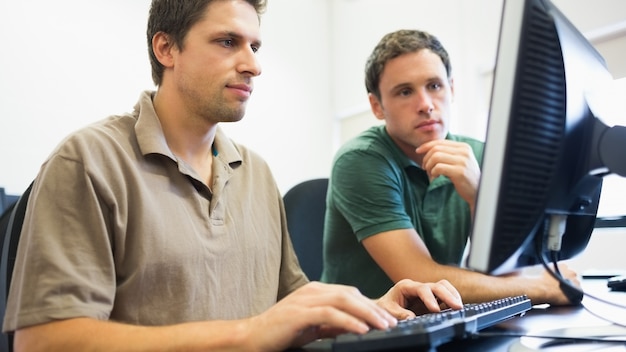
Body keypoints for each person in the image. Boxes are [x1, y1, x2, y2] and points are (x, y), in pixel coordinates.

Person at [1, 2, 465, 351]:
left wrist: (371, 308)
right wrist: (248, 334)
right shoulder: (89, 161)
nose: (253, 64)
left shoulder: (256, 174)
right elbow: (44, 341)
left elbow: (291, 299)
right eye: (228, 42)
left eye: (255, 46)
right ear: (166, 48)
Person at [321, 29, 581, 306]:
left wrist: (478, 196)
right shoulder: (359, 160)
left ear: (452, 89)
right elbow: (420, 279)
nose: (426, 105)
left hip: (442, 320)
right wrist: (540, 288)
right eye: (405, 91)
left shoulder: (479, 155)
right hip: (360, 333)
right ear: (377, 107)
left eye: (434, 86)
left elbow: (505, 276)